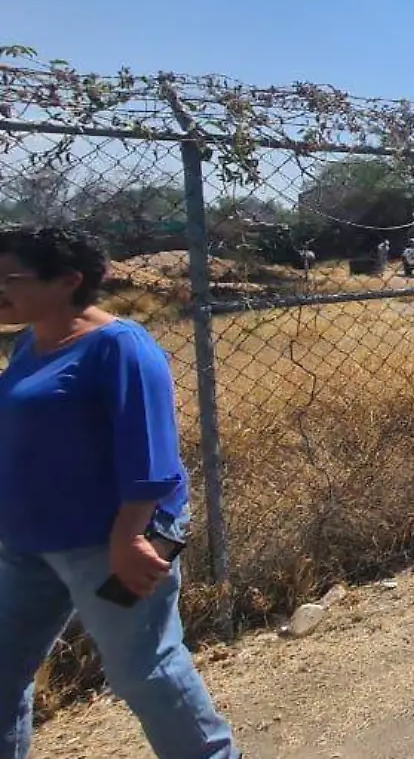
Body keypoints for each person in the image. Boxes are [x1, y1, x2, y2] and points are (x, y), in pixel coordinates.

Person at [0, 226, 238, 758]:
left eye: (7, 278)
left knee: (143, 671)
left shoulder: (121, 346)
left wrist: (131, 536)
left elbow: (151, 449)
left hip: (111, 543)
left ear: (67, 281)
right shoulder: (28, 344)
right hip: (28, 545)